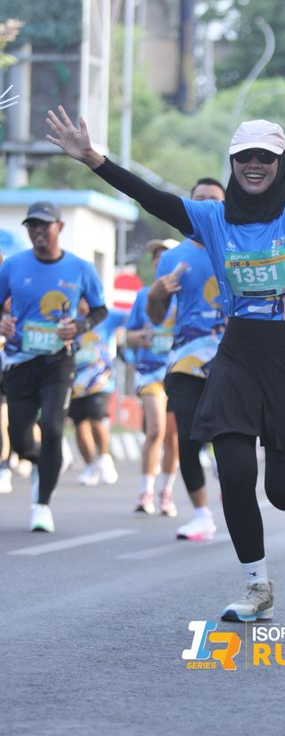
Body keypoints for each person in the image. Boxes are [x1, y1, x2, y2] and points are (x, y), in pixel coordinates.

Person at [46, 69, 285, 619]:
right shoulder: (211, 219)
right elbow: (152, 199)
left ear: (280, 162)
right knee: (233, 469)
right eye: (244, 157)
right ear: (232, 163)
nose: (254, 165)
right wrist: (93, 159)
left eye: (265, 158)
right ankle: (257, 586)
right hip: (236, 357)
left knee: (283, 494)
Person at [0, 201, 107, 532]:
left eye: (44, 225)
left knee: (53, 427)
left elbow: (100, 310)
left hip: (59, 362)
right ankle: (46, 461)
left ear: (59, 227)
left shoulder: (80, 268)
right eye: (32, 226)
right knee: (19, 439)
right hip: (19, 361)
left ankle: (42, 505)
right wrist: (3, 321)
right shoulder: (13, 265)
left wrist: (79, 326)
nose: (38, 232)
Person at [146, 177, 226, 541]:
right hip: (186, 361)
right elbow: (157, 316)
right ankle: (201, 515)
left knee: (230, 437)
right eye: (199, 199)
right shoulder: (172, 258)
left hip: (233, 359)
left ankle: (232, 482)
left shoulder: (240, 246)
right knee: (190, 438)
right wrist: (156, 294)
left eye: (214, 200)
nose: (206, 205)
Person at [126, 239, 179, 516]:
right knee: (156, 429)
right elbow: (129, 334)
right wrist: (140, 337)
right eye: (156, 258)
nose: (160, 261)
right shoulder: (143, 295)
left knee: (173, 437)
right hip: (150, 373)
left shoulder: (186, 295)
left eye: (165, 256)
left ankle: (166, 492)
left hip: (180, 372)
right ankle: (145, 491)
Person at [68, 299, 126, 486]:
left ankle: (104, 458)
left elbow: (132, 317)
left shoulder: (106, 316)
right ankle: (90, 466)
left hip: (100, 381)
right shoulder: (69, 318)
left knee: (97, 417)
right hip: (75, 382)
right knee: (80, 424)